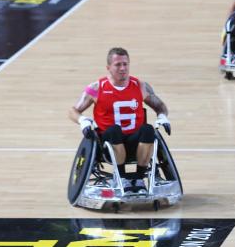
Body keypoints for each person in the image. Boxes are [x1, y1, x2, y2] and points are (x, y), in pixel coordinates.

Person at [68, 47, 171, 191]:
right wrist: (83, 121)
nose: (123, 68)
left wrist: (162, 116)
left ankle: (138, 179)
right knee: (114, 130)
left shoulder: (140, 86)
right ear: (108, 67)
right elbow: (73, 111)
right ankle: (121, 177)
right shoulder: (97, 88)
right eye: (118, 65)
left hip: (135, 141)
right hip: (108, 143)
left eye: (125, 64)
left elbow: (160, 105)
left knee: (148, 129)